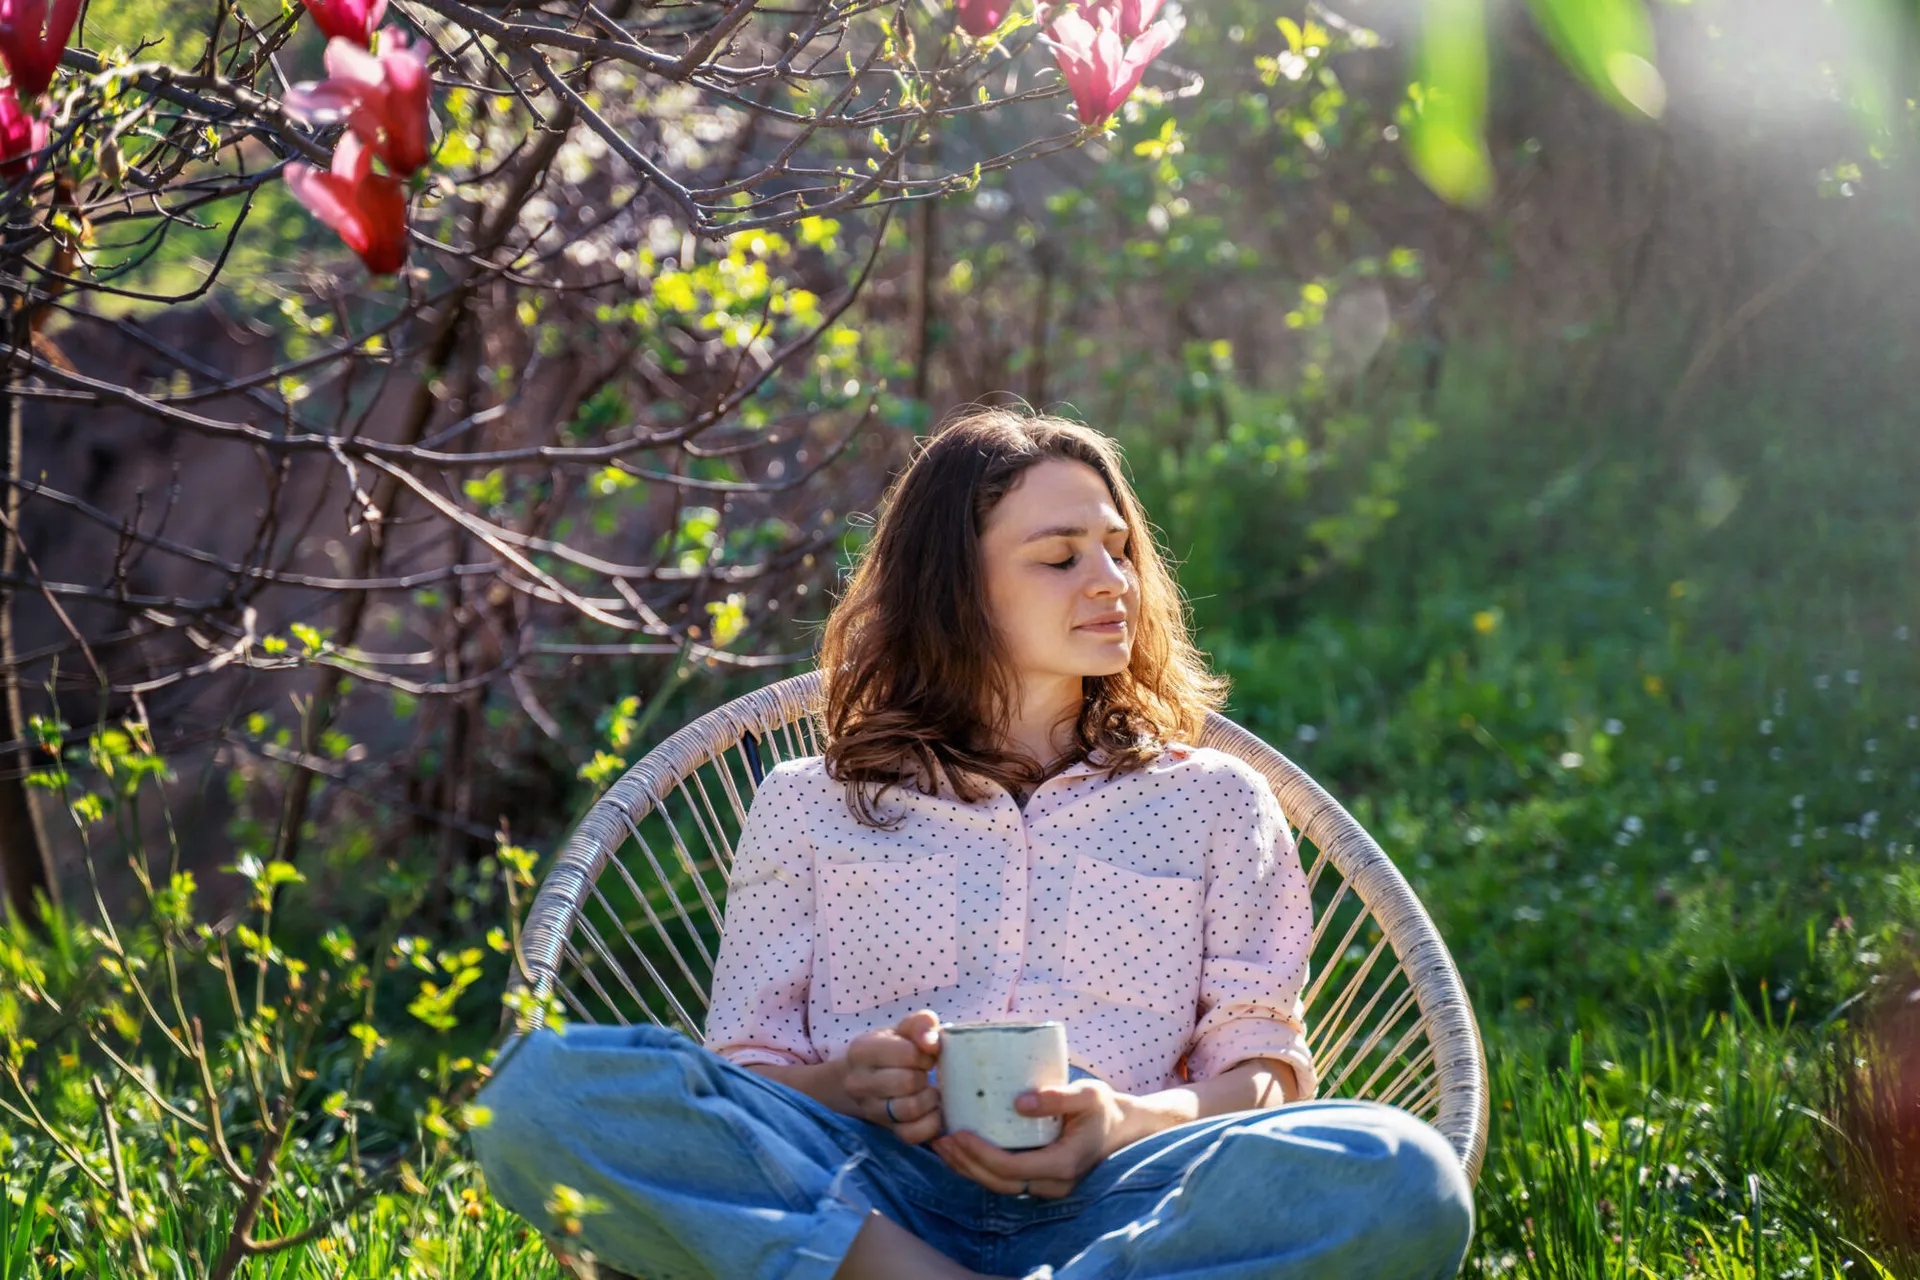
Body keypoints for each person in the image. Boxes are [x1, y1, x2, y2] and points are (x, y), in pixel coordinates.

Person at [472, 408, 1474, 1279]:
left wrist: (1119, 1121)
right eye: (1059, 556)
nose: (1110, 580)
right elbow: (746, 1076)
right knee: (535, 1092)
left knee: (1405, 1173)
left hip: (1128, 1199)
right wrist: (848, 1083)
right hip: (862, 1190)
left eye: (1119, 549)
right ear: (955, 586)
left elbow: (1262, 1076)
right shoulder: (808, 803)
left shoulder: (1215, 800)